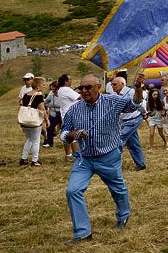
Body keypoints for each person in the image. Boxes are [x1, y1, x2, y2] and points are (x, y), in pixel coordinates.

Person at [61, 73, 146, 244]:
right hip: (84, 159)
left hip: (109, 156)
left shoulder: (112, 102)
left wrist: (137, 87)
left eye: (88, 87)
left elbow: (135, 104)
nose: (84, 91)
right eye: (81, 88)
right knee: (73, 190)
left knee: (117, 189)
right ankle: (83, 233)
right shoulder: (74, 109)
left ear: (98, 88)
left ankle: (123, 217)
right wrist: (74, 134)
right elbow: (64, 134)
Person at [109, 77, 146, 171]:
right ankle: (141, 164)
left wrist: (144, 113)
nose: (112, 86)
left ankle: (114, 165)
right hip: (124, 121)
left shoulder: (130, 92)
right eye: (111, 84)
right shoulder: (114, 94)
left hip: (133, 119)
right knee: (133, 143)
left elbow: (140, 101)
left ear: (122, 84)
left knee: (118, 140)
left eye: (114, 84)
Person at [19, 76, 48, 167]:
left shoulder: (26, 94)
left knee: (29, 139)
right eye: (43, 85)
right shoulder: (38, 95)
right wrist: (46, 120)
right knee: (36, 140)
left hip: (25, 120)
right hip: (34, 121)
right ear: (38, 86)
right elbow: (42, 109)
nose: (44, 87)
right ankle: (34, 160)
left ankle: (24, 158)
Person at [55, 75, 81, 159]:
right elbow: (79, 97)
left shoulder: (61, 89)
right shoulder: (66, 89)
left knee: (66, 134)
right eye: (70, 79)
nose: (71, 81)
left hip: (65, 115)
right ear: (65, 81)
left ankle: (68, 154)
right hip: (72, 115)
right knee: (73, 136)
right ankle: (76, 156)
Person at [43, 82, 63, 148]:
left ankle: (67, 143)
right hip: (53, 113)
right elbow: (46, 101)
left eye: (54, 89)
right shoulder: (51, 93)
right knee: (49, 127)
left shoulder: (63, 93)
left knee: (64, 128)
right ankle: (49, 143)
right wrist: (47, 105)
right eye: (51, 89)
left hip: (62, 113)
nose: (52, 91)